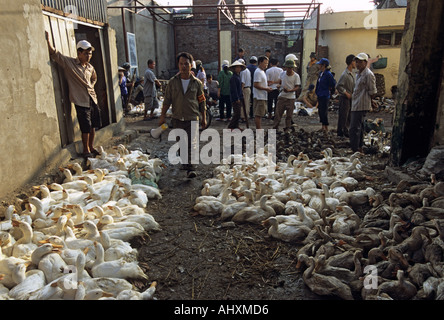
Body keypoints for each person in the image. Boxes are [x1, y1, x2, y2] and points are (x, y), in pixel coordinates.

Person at [45, 31, 101, 158]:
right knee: (85, 126)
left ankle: (91, 147)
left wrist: (91, 86)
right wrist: (48, 41)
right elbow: (55, 54)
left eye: (90, 53)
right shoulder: (70, 63)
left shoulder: (90, 67)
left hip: (92, 98)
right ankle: (86, 150)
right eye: (86, 53)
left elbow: (94, 78)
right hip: (80, 100)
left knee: (93, 125)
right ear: (79, 53)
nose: (88, 56)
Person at [158, 52, 206, 178]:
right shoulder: (172, 82)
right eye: (181, 64)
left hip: (192, 118)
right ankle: (185, 162)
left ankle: (191, 168)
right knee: (181, 143)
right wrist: (162, 116)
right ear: (178, 65)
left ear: (191, 66)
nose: (183, 66)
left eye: (186, 64)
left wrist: (204, 118)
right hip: (177, 118)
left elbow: (202, 101)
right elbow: (167, 100)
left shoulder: (197, 83)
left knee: (191, 143)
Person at [349, 53, 377, 153]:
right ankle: (359, 148)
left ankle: (355, 149)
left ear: (365, 62)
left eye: (360, 62)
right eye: (356, 62)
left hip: (361, 104)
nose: (358, 64)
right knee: (359, 128)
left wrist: (370, 100)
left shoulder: (368, 74)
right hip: (357, 103)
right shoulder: (359, 74)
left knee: (354, 128)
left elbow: (372, 91)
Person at [272, 59, 301, 130]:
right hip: (282, 96)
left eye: (291, 68)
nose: (289, 69)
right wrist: (279, 85)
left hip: (291, 97)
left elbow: (297, 87)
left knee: (289, 115)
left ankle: (287, 128)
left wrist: (290, 90)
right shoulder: (282, 74)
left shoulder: (296, 76)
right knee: (278, 114)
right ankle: (275, 127)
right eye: (288, 68)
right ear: (286, 67)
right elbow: (279, 82)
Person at [336, 54, 356, 138]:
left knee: (348, 116)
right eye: (355, 62)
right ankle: (340, 132)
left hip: (350, 98)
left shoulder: (351, 74)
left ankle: (345, 130)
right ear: (351, 62)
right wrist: (346, 93)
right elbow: (339, 86)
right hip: (344, 98)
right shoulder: (345, 74)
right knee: (343, 116)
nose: (356, 64)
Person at [315, 58, 336, 132]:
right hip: (320, 94)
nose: (319, 66)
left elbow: (333, 83)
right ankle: (323, 126)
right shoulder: (321, 73)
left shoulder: (328, 74)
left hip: (325, 94)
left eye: (320, 65)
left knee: (324, 111)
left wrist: (330, 89)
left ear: (324, 65)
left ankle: (325, 126)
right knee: (320, 111)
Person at [253, 56, 273, 129]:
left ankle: (259, 128)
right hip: (259, 96)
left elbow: (260, 83)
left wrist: (267, 84)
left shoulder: (262, 72)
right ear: (260, 62)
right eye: (265, 63)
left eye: (267, 64)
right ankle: (259, 129)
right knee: (258, 114)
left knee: (260, 114)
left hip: (262, 95)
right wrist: (266, 88)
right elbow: (255, 85)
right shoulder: (258, 72)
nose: (266, 65)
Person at [228, 60, 246, 130]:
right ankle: (231, 126)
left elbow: (239, 88)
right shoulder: (233, 78)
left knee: (238, 112)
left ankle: (236, 126)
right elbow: (234, 89)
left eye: (239, 67)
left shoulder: (238, 76)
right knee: (237, 113)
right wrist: (236, 98)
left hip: (239, 96)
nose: (238, 69)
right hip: (235, 98)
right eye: (237, 67)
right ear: (234, 69)